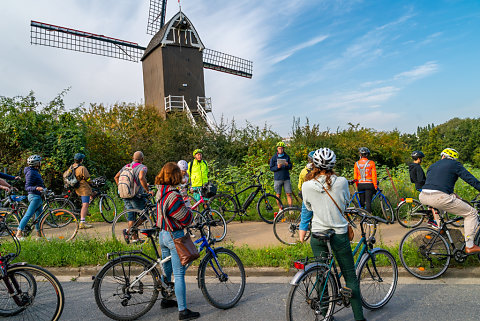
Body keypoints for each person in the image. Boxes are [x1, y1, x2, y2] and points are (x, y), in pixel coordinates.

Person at [299, 148, 366, 321]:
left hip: (318, 235)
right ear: (333, 164)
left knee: (322, 274)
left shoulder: (306, 186)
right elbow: (344, 204)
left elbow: (307, 209)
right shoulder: (342, 182)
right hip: (338, 234)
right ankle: (359, 318)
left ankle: (325, 314)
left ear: (313, 164)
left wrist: (302, 229)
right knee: (350, 278)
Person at [155, 162, 200, 320]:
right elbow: (185, 217)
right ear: (176, 175)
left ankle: (166, 300)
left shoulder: (161, 191)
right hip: (174, 236)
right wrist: (189, 211)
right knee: (179, 274)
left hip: (163, 234)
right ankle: (183, 311)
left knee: (167, 270)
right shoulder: (173, 195)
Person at [419, 148, 480, 254]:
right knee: (471, 213)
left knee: (441, 206)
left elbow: (438, 182)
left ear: (443, 156)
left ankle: (440, 228)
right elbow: (470, 179)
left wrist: (452, 194)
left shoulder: (433, 165)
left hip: (423, 195)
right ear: (454, 158)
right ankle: (470, 246)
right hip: (438, 197)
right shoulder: (454, 164)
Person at [114, 151, 151, 243]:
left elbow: (116, 177)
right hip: (135, 196)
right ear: (142, 159)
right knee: (144, 215)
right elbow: (141, 177)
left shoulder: (126, 167)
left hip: (125, 195)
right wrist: (147, 190)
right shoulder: (142, 167)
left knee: (132, 217)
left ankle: (134, 239)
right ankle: (129, 230)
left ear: (133, 158)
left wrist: (120, 187)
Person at [17, 155, 45, 240]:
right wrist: (36, 188)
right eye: (39, 161)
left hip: (38, 196)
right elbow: (27, 187)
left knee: (39, 217)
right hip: (34, 196)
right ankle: (18, 234)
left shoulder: (35, 171)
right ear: (36, 163)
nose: (41, 163)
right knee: (28, 215)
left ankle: (39, 236)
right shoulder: (31, 172)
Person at [408, 150, 438, 227]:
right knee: (432, 203)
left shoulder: (411, 166)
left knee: (429, 204)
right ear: (418, 158)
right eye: (421, 158)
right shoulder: (418, 167)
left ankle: (430, 220)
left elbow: (412, 179)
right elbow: (421, 179)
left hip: (417, 186)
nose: (421, 160)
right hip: (422, 186)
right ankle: (433, 221)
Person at [71, 153, 93, 229]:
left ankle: (83, 216)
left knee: (85, 203)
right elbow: (87, 177)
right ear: (81, 160)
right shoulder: (82, 168)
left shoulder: (72, 167)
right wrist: (91, 182)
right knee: (85, 204)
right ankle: (82, 222)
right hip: (83, 188)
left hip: (76, 187)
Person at [269, 141, 293, 207]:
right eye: (279, 148)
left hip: (286, 178)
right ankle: (280, 208)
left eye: (282, 148)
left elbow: (291, 166)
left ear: (283, 149)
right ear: (277, 148)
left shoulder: (287, 156)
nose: (281, 150)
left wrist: (287, 165)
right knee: (278, 194)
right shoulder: (274, 157)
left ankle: (290, 209)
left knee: (288, 194)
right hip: (277, 178)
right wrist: (277, 167)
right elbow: (271, 168)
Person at [353, 147, 377, 213]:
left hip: (360, 185)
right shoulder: (371, 163)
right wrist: (375, 186)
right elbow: (374, 176)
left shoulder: (356, 164)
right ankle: (369, 219)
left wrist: (358, 185)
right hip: (369, 185)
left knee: (362, 201)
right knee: (368, 202)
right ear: (367, 154)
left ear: (360, 154)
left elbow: (356, 177)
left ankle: (362, 215)